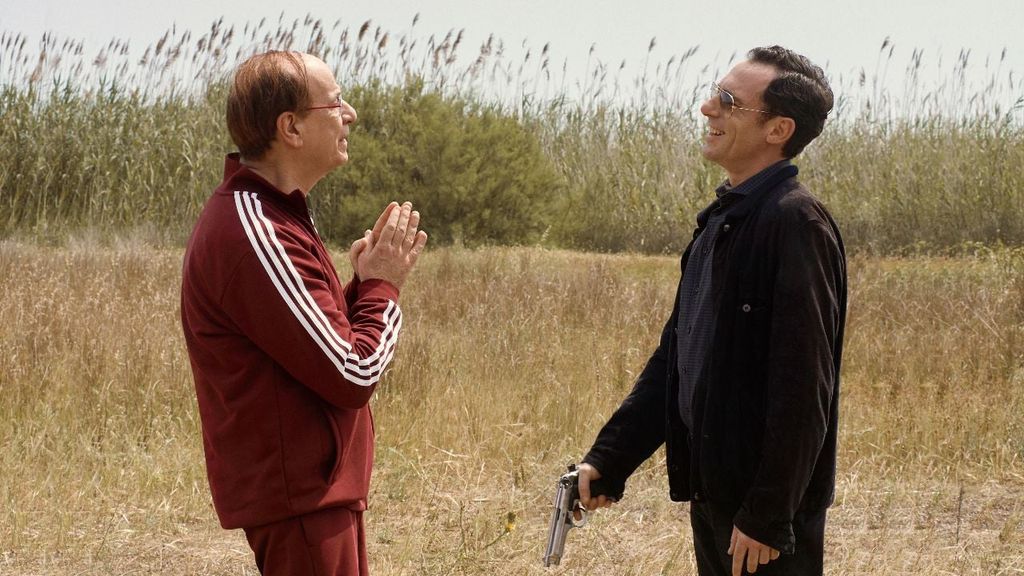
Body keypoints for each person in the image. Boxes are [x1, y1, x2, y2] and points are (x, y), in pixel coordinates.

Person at [577, 46, 846, 576]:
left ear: (778, 130)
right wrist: (610, 458)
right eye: (714, 94)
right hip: (717, 495)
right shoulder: (722, 223)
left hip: (764, 521)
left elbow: (803, 389)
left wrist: (768, 514)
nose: (707, 108)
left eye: (728, 101)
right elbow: (677, 361)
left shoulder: (796, 224)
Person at [180, 50, 427, 576]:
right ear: (290, 127)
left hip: (314, 497)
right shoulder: (257, 228)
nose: (349, 114)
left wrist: (360, 288)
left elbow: (306, 341)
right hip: (302, 504)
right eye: (334, 103)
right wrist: (384, 285)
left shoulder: (274, 213)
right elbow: (353, 372)